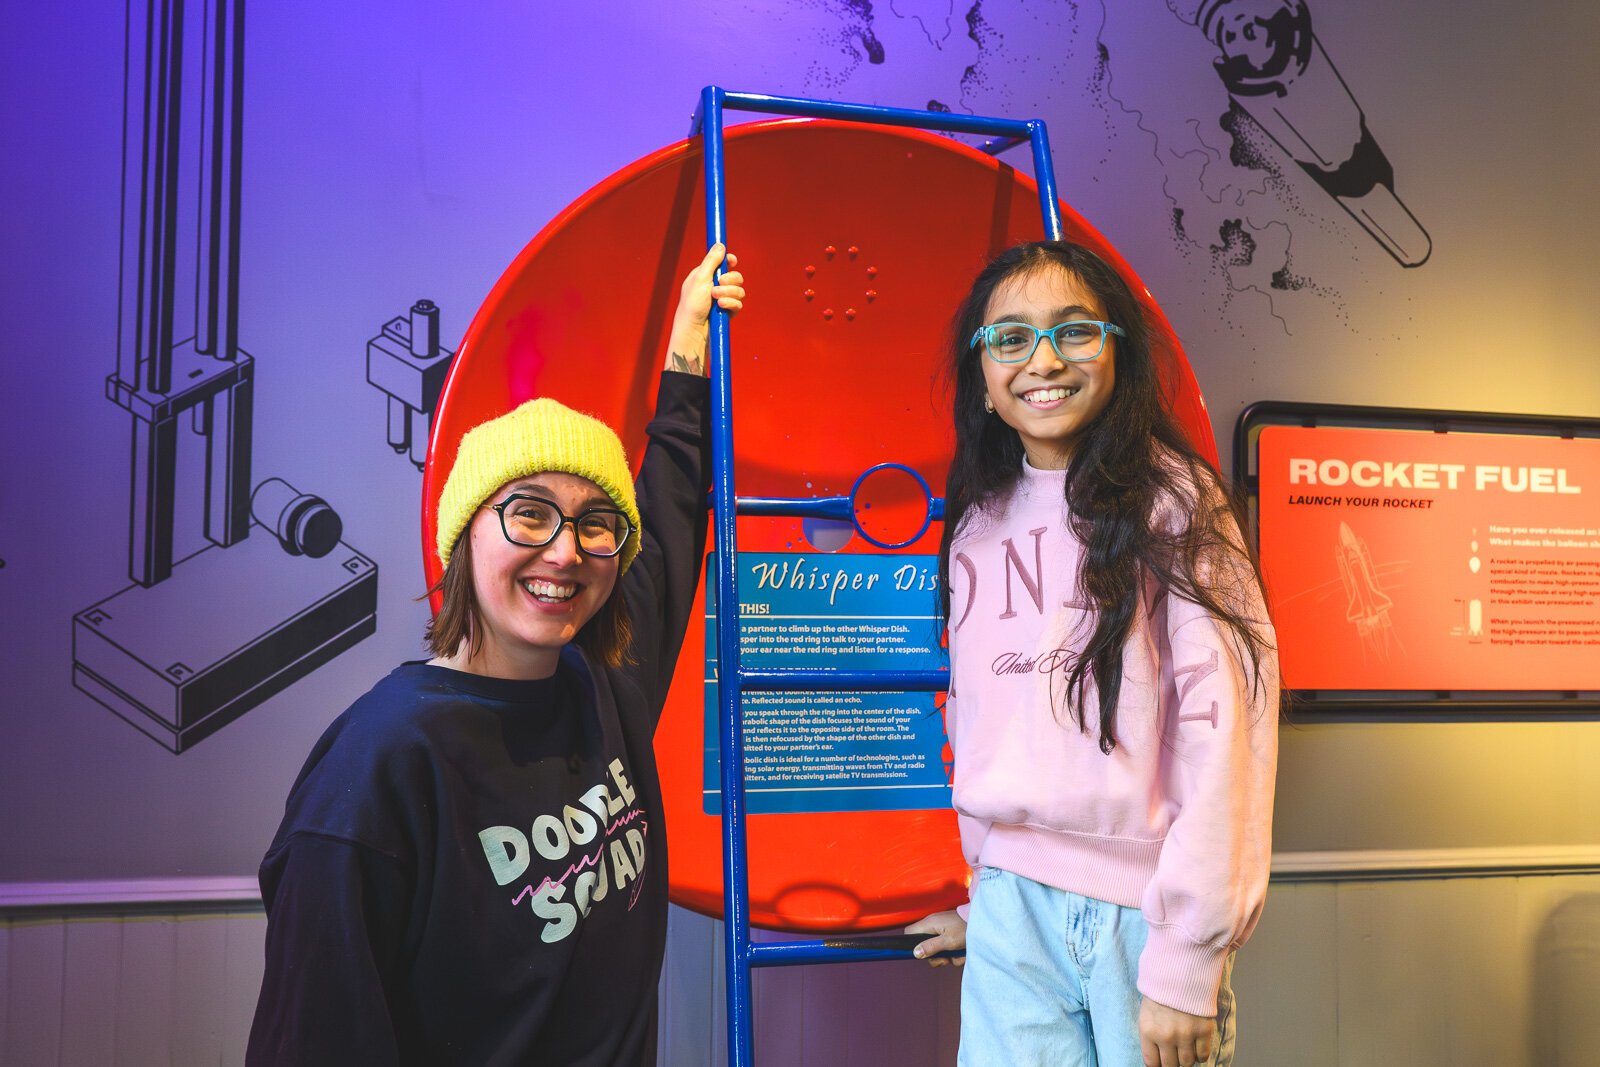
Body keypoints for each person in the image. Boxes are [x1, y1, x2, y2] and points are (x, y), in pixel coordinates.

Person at [247, 246, 745, 1065]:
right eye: (528, 513)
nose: (565, 551)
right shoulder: (377, 769)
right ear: (464, 536)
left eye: (595, 524)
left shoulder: (603, 684)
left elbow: (672, 505)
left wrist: (688, 340)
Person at [906, 241, 1278, 1067]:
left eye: (1073, 331)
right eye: (1010, 338)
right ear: (984, 378)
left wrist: (1188, 958)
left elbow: (1230, 741)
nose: (1043, 359)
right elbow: (987, 720)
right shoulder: (974, 515)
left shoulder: (1176, 501)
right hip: (1011, 914)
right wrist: (993, 894)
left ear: (1118, 350)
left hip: (1146, 919)